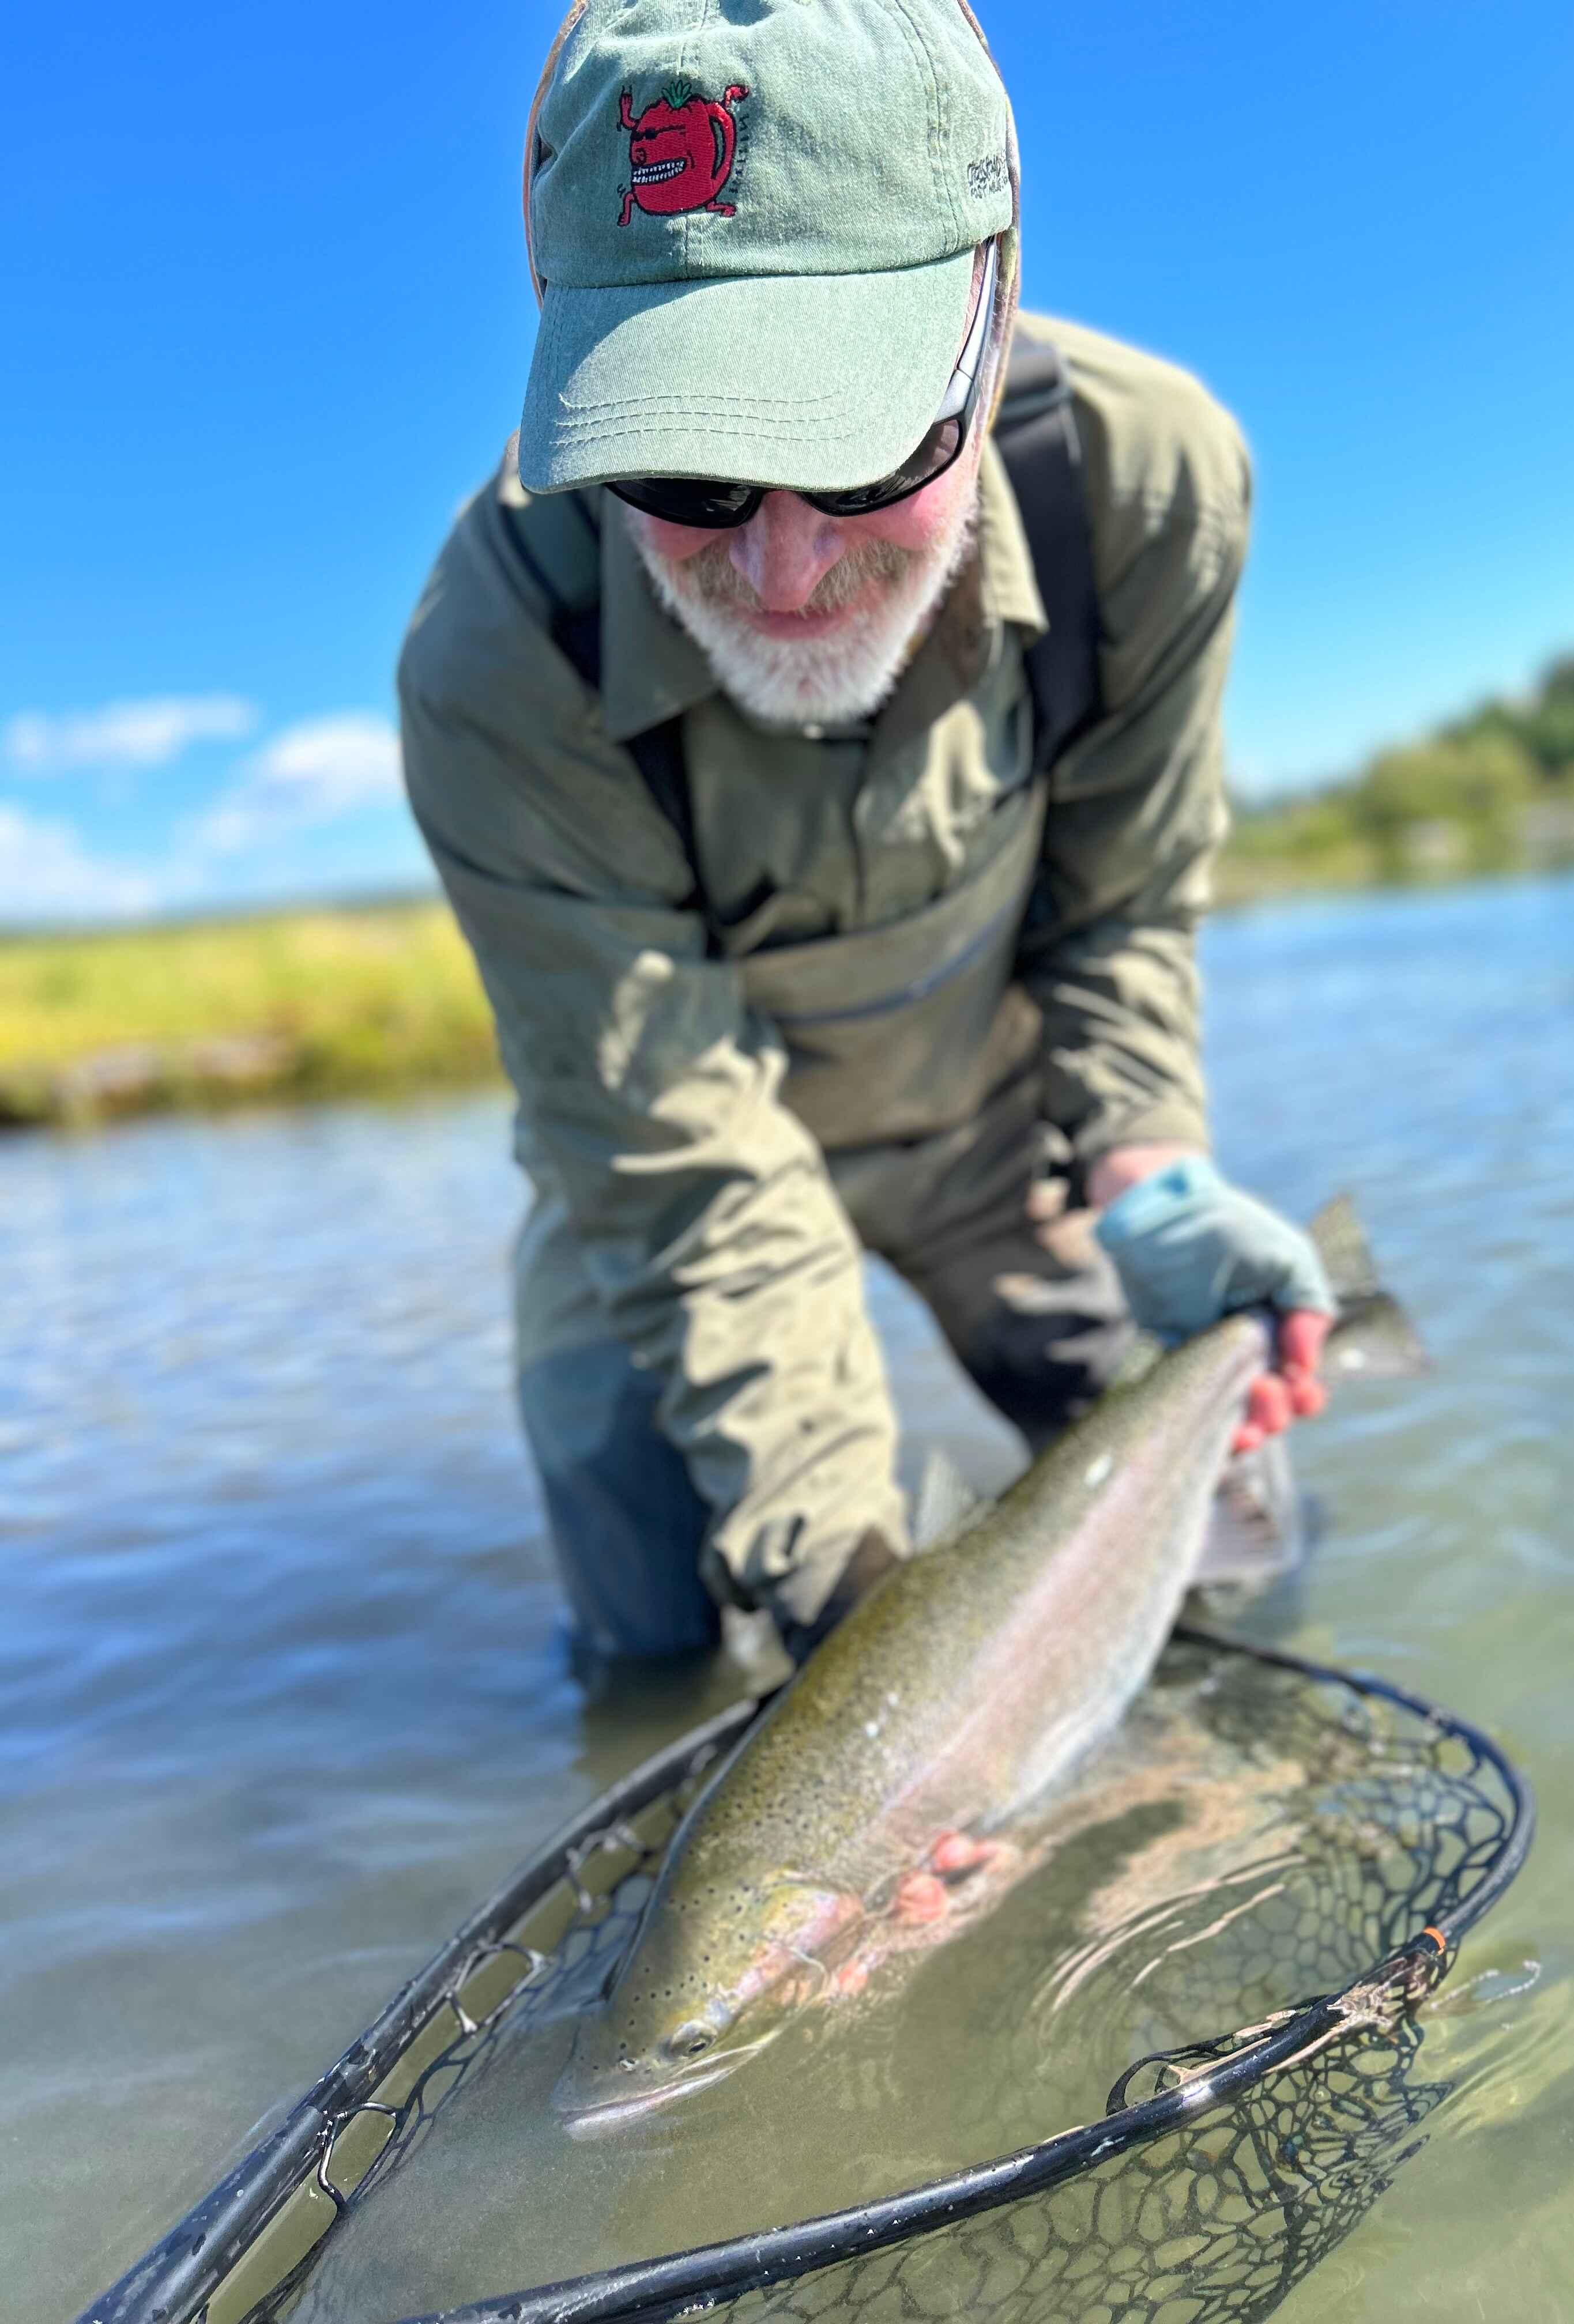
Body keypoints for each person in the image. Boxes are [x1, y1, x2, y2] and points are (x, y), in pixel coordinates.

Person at [397, 0, 1335, 1677]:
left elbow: (1122, 913)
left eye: (858, 445)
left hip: (997, 1129)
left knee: (1238, 1560)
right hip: (662, 1166)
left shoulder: (1151, 488)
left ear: (991, 309)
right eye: (679, 468)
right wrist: (868, 1633)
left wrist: (1148, 1165)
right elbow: (683, 1179)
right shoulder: (496, 657)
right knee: (654, 1646)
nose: (775, 571)